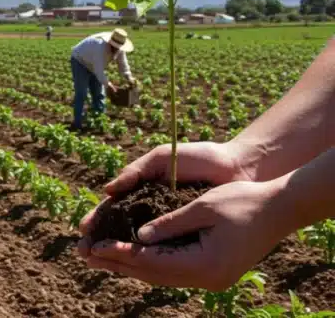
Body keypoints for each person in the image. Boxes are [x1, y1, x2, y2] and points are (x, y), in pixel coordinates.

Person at [77, 38, 335, 292]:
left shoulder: (117, 52)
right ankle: (80, 117)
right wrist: (241, 161)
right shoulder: (96, 49)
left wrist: (281, 204)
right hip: (81, 64)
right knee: (85, 92)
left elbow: (123, 67)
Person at [70, 28, 136, 130]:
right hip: (80, 61)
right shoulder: (99, 47)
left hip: (94, 65)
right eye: (114, 47)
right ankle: (77, 123)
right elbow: (99, 71)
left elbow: (123, 65)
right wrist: (109, 85)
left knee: (99, 94)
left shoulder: (120, 50)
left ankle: (100, 121)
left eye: (118, 47)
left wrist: (129, 78)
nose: (116, 49)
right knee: (82, 93)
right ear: (110, 42)